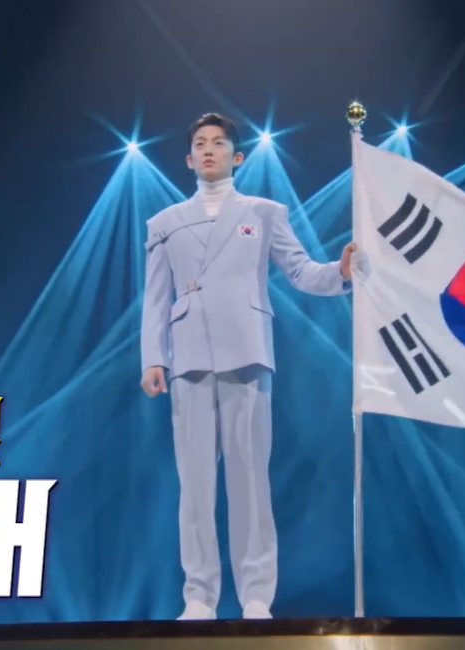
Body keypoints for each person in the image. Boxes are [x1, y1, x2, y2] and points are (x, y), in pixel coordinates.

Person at [139, 112, 357, 620]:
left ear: (237, 157)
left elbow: (301, 271)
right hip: (189, 356)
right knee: (195, 486)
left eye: (218, 143)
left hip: (247, 350)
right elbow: (155, 298)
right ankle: (199, 597)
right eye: (200, 143)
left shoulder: (263, 212)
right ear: (188, 159)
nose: (208, 150)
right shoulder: (164, 223)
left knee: (250, 480)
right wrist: (154, 357)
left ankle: (256, 595)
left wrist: (341, 272)